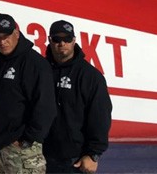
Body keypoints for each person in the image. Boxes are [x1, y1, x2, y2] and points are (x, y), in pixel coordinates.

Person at [0, 13, 56, 174]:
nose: (2, 42)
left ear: (16, 33)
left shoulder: (35, 64)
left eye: (6, 36)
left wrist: (27, 140)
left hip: (23, 150)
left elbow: (46, 107)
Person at [43, 20, 112, 173]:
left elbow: (100, 117)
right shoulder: (40, 70)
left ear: (74, 40)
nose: (62, 43)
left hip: (75, 161)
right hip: (39, 158)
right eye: (57, 39)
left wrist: (93, 154)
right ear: (49, 40)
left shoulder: (90, 76)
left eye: (67, 39)